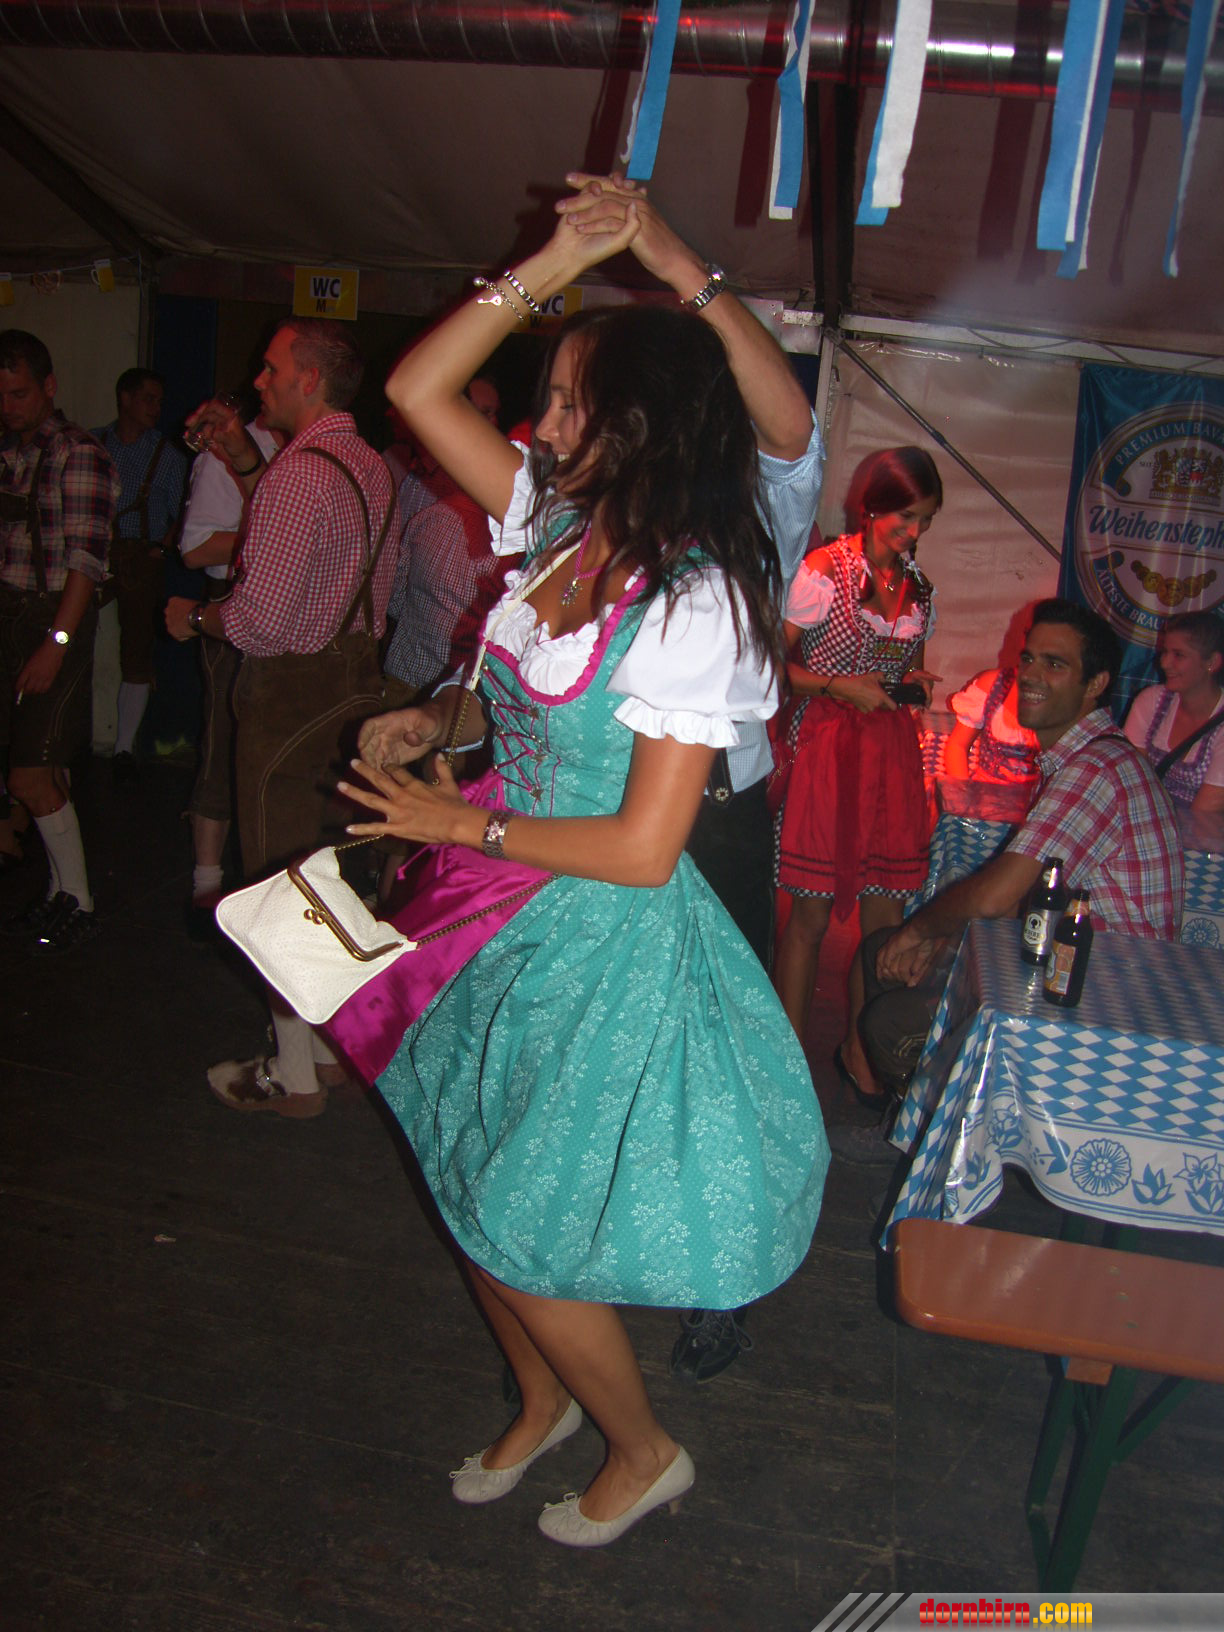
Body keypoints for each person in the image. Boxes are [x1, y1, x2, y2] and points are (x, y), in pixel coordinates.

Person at [335, 171, 829, 1549]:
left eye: (563, 405)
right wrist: (556, 256)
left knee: (520, 1214)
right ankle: (545, 1398)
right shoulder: (556, 531)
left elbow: (645, 847)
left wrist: (461, 823)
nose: (536, 427)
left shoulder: (696, 599)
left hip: (600, 936)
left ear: (636, 428)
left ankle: (645, 1448)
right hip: (497, 912)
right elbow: (416, 390)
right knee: (465, 1163)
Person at [166, 318, 399, 1114]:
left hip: (287, 696)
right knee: (319, 880)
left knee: (275, 887)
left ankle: (293, 1076)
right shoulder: (367, 464)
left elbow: (260, 622)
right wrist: (242, 456)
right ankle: (329, 1052)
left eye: (270, 370)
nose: (257, 381)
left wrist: (197, 618)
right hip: (349, 685)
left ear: (309, 380)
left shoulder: (300, 474)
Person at [855, 599, 1183, 1110]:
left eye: (1055, 664)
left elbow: (998, 895)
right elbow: (1017, 901)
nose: (1030, 674)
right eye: (1028, 658)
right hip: (1072, 967)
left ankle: (951, 1136)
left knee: (892, 1011)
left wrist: (921, 931)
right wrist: (941, 940)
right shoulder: (1085, 757)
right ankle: (905, 1113)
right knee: (884, 952)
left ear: (1095, 684)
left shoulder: (1094, 770)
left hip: (1108, 1003)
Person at [771, 446, 942, 1103]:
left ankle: (864, 1057)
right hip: (827, 747)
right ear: (870, 508)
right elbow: (769, 665)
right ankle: (785, 1069)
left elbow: (906, 665)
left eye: (925, 520)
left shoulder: (919, 585)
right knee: (809, 918)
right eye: (906, 517)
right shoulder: (825, 571)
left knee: (885, 922)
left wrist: (912, 681)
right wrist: (839, 685)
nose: (914, 532)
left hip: (891, 755)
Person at [0, 328, 120, 953]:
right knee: (42, 770)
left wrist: (58, 640)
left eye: (19, 394)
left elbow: (85, 562)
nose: (8, 407)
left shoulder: (79, 454)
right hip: (12, 617)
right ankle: (59, 893)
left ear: (49, 386)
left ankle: (80, 901)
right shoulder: (11, 451)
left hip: (55, 621)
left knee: (28, 776)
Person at [176, 413, 281, 937]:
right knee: (223, 739)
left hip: (289, 609)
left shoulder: (315, 450)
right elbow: (194, 548)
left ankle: (268, 892)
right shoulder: (225, 454)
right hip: (234, 602)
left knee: (279, 751)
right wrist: (276, 534)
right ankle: (207, 888)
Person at [94, 368, 188, 776]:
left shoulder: (167, 455)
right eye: (148, 399)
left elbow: (185, 512)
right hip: (95, 555)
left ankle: (123, 748)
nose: (156, 408)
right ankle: (65, 737)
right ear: (125, 398)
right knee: (70, 638)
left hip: (141, 557)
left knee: (137, 651)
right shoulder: (94, 443)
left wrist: (160, 549)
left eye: (159, 401)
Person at [1124, 611, 1224, 814]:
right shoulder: (1151, 701)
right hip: (1147, 819)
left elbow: (1203, 814)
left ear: (1212, 662)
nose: (1164, 663)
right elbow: (1130, 778)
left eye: (1178, 655)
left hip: (1195, 832)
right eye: (1165, 652)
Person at [944, 664, 1040, 786]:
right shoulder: (994, 685)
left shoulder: (1062, 701)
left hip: (1044, 797)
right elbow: (958, 746)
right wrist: (963, 791)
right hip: (984, 793)